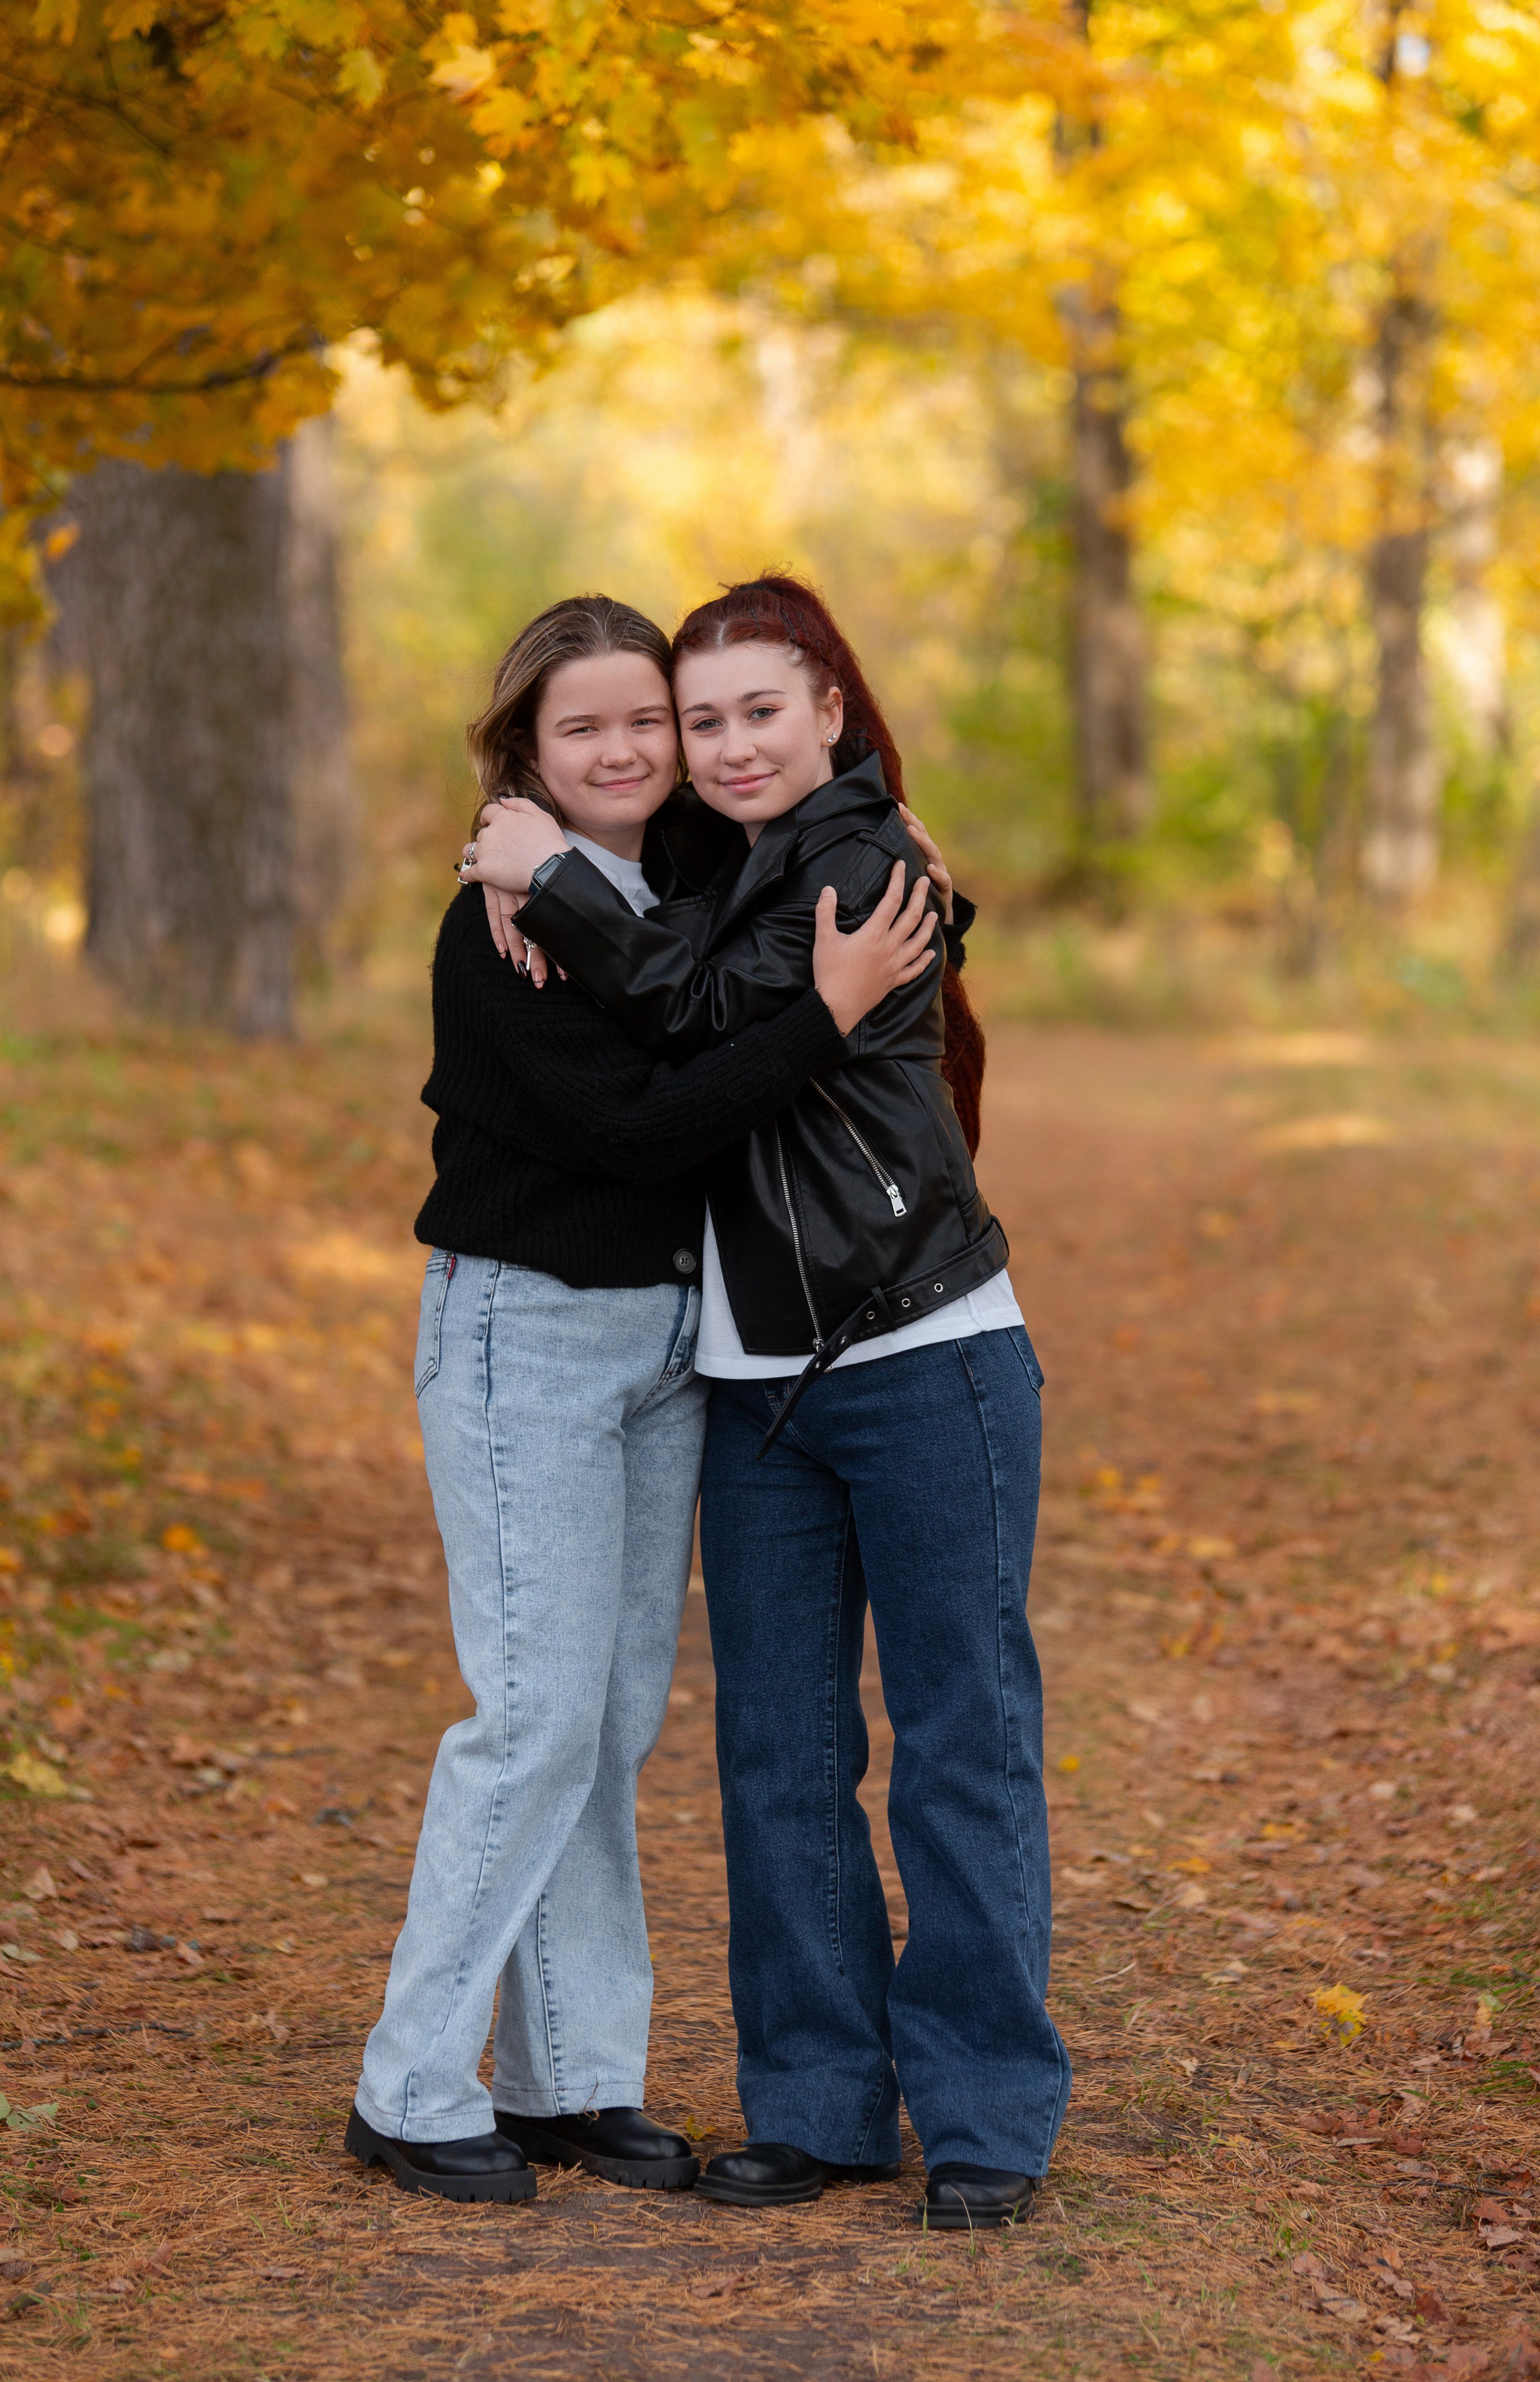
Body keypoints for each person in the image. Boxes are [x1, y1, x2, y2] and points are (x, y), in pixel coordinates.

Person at [465, 575, 1070, 2231]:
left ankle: (983, 2118)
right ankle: (813, 2105)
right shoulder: (716, 869)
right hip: (756, 1391)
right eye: (700, 718)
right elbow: (648, 957)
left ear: (828, 711)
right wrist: (524, 852)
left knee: (962, 1743)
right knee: (781, 1756)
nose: (724, 747)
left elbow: (699, 1008)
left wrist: (557, 888)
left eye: (756, 712)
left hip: (925, 1352)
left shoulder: (864, 861)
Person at [347, 593, 939, 2204]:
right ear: (524, 755)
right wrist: (819, 1023)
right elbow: (648, 1127)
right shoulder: (501, 919)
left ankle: (570, 2078)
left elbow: (806, 876)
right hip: (519, 1332)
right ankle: (409, 2083)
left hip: (671, 1343)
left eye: (648, 722)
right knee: (530, 1718)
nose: (630, 748)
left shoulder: (676, 880)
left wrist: (890, 825)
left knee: (606, 1728)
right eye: (582, 727)